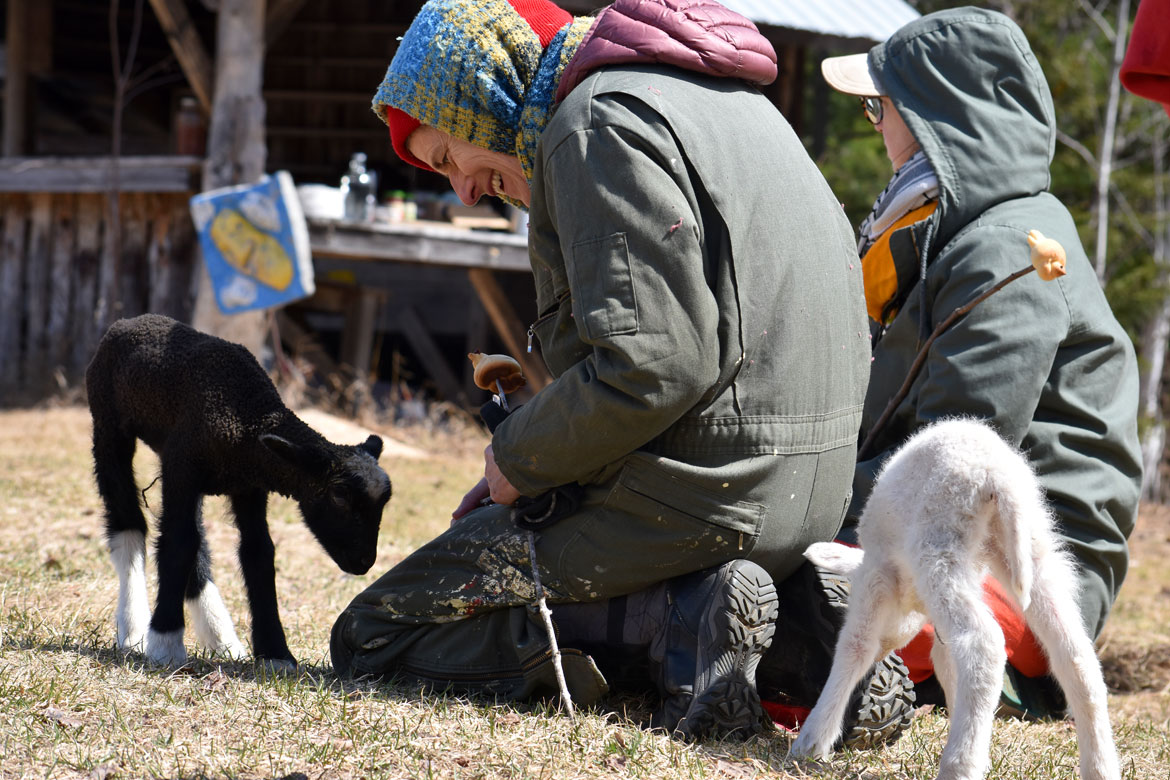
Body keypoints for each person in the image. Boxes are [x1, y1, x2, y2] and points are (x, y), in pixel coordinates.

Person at [329, 0, 914, 742]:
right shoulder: (719, 102)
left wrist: (518, 456)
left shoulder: (591, 127)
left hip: (704, 500)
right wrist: (549, 458)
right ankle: (800, 637)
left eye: (449, 157)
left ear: (484, 99)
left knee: (374, 634)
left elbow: (653, 367)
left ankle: (679, 623)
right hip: (809, 497)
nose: (464, 191)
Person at [820, 7, 1142, 719]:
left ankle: (932, 667)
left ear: (939, 118)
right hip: (967, 538)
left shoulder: (1007, 252)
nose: (875, 125)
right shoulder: (957, 234)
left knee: (803, 590)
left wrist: (803, 507)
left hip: (1030, 570)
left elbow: (955, 453)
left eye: (881, 106)